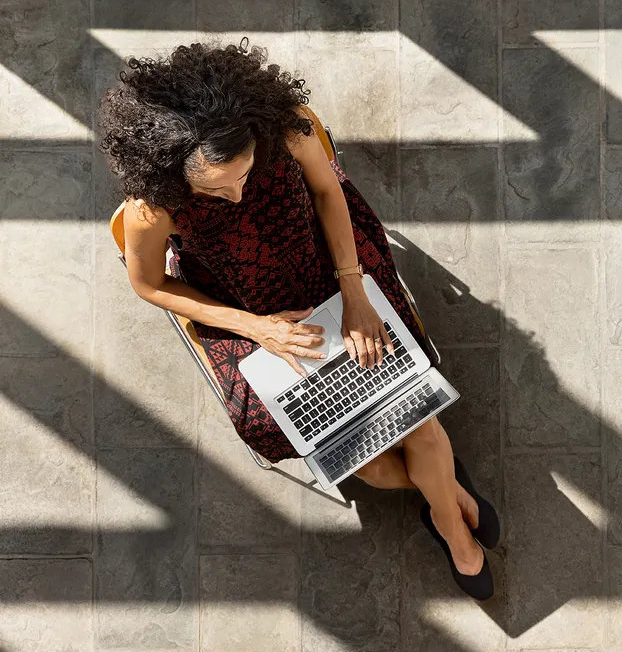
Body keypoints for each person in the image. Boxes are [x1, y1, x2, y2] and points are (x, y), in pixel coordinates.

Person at [97, 39, 498, 601]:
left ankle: (454, 527)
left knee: (413, 417)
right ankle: (449, 491)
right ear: (170, 172)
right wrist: (256, 327)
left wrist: (354, 294)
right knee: (371, 464)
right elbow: (149, 284)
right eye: (214, 187)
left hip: (328, 267)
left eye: (243, 173)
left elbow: (330, 194)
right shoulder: (151, 210)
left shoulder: (287, 130)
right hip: (243, 308)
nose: (235, 194)